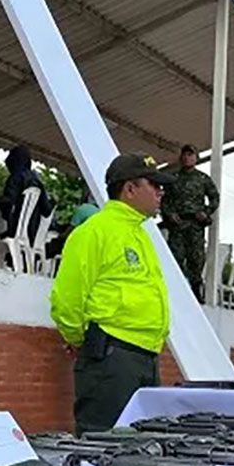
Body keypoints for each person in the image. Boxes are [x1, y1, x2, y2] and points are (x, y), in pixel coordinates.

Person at [51, 153, 172, 435]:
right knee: (102, 442)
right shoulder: (94, 232)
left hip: (146, 356)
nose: (161, 191)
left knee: (144, 446)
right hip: (112, 357)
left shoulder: (140, 234)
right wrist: (80, 340)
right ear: (130, 189)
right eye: (154, 184)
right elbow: (66, 299)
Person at [160, 144, 219, 298]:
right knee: (175, 257)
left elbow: (214, 198)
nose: (187, 158)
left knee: (196, 259)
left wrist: (205, 212)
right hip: (178, 224)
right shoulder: (173, 178)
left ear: (196, 158)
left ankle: (196, 291)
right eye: (185, 154)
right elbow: (164, 200)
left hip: (195, 225)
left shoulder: (203, 179)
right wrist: (170, 214)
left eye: (190, 155)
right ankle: (175, 291)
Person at [0, 145, 54, 239]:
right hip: (31, 234)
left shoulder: (15, 178)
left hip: (13, 230)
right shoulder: (37, 182)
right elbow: (47, 211)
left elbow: (8, 201)